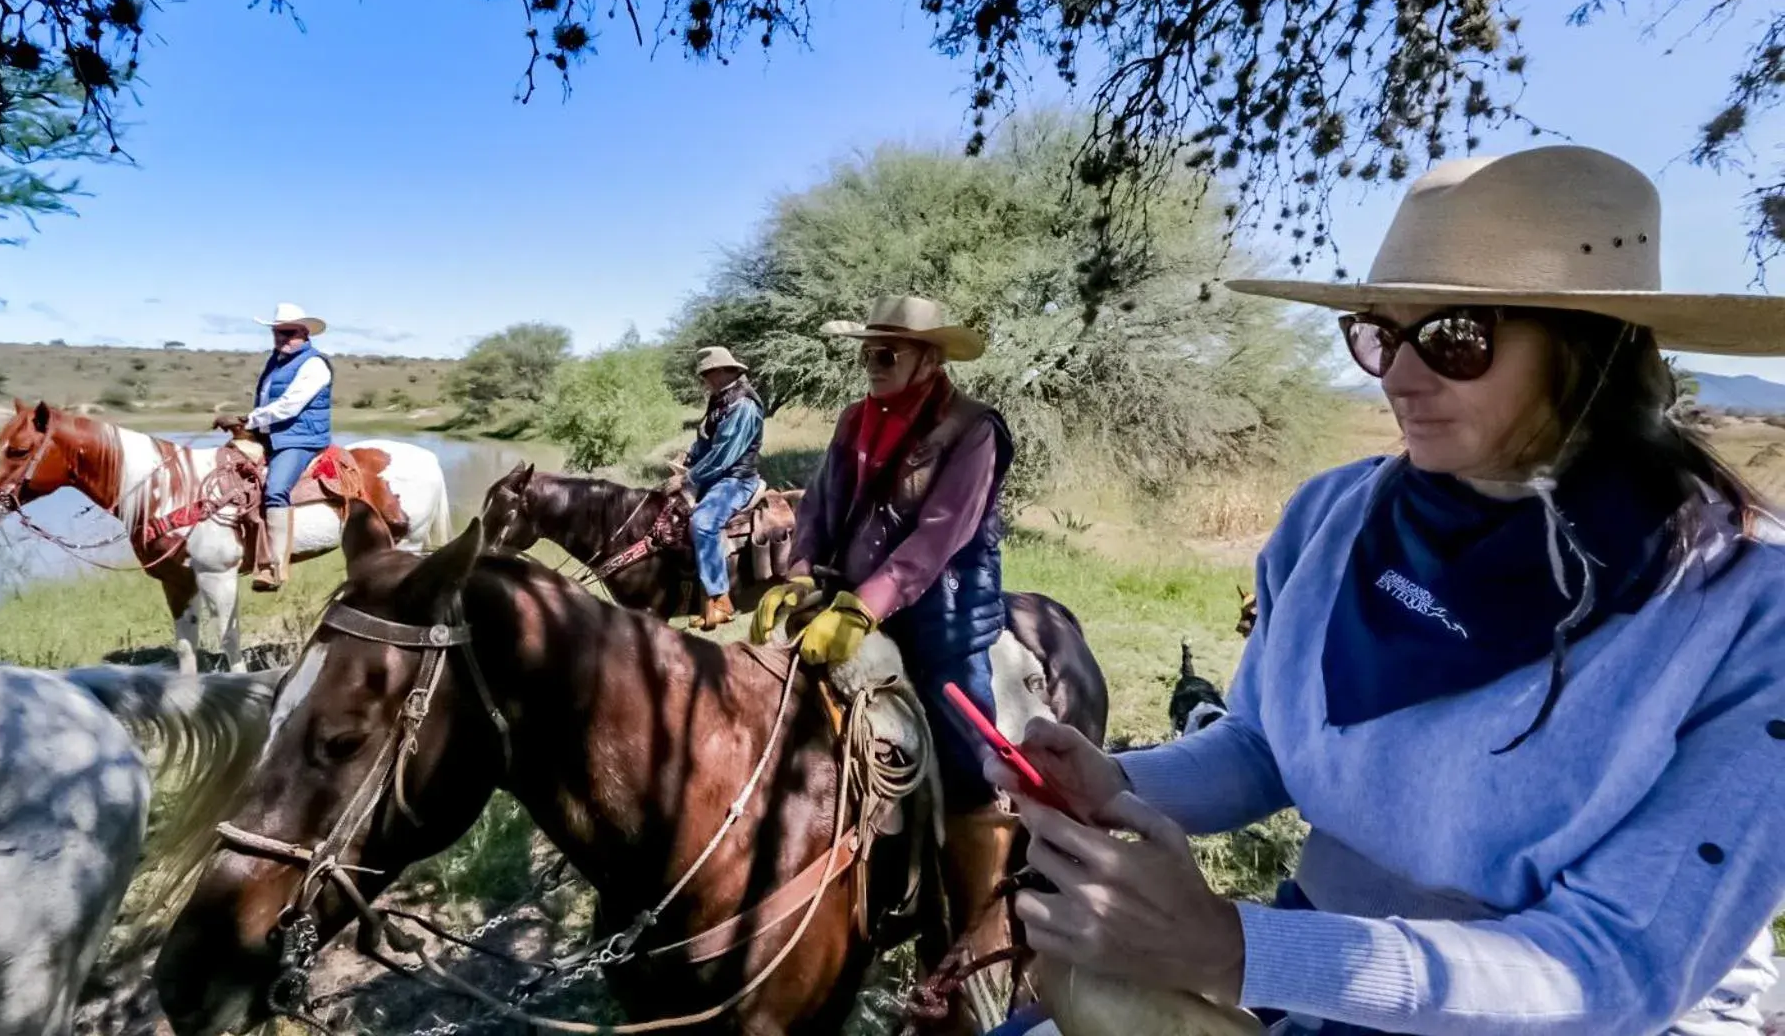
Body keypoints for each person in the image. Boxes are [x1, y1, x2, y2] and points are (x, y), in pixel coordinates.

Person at [992, 146, 1785, 1035]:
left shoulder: (1750, 610)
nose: (1399, 378)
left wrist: (1233, 948)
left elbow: (1615, 966)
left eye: (1455, 338)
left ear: (1591, 348)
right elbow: (1266, 746)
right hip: (1317, 969)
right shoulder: (1335, 516)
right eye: (1378, 333)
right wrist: (1115, 780)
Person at [753, 294, 1020, 991]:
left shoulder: (974, 432)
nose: (872, 364)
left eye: (887, 353)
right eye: (868, 352)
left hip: (943, 619)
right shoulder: (853, 419)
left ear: (929, 359)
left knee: (968, 759)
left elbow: (938, 538)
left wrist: (866, 608)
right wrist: (800, 573)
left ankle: (976, 927)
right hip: (845, 597)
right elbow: (818, 506)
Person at [215, 302, 333, 592]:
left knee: (276, 488)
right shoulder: (276, 361)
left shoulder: (314, 364)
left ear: (305, 333)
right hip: (273, 434)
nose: (281, 338)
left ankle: (274, 566)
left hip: (300, 438)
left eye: (288, 333)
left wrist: (249, 419)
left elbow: (290, 405)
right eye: (277, 333)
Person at [679, 346, 766, 630]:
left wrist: (689, 478)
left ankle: (720, 600)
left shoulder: (743, 406)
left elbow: (723, 456)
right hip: (716, 476)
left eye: (707, 373)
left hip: (735, 480)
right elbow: (706, 440)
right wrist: (688, 457)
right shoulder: (720, 401)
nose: (705, 379)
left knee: (703, 522)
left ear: (720, 372)